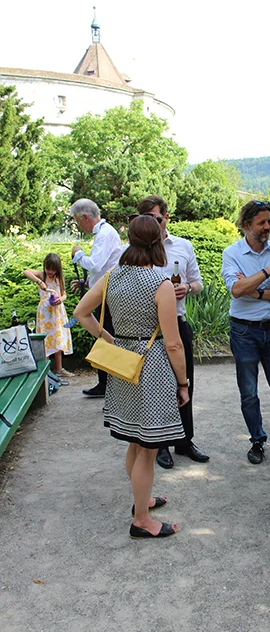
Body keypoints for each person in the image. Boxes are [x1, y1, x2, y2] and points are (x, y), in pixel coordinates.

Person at [73, 215, 189, 538]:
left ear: (130, 241)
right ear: (158, 242)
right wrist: (182, 383)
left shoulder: (112, 276)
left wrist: (109, 339)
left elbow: (81, 312)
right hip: (151, 370)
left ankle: (142, 500)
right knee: (148, 448)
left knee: (135, 442)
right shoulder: (161, 285)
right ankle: (141, 520)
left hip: (122, 365)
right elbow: (173, 344)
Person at [132, 195, 209, 468]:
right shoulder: (136, 250)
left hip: (177, 322)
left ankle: (185, 441)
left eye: (157, 218)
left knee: (185, 382)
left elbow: (198, 284)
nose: (154, 224)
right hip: (149, 329)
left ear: (166, 218)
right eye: (147, 219)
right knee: (157, 387)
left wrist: (186, 287)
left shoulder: (183, 246)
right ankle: (160, 444)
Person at [221, 200, 270, 464]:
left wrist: (256, 291)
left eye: (269, 221)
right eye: (261, 222)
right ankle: (257, 441)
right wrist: (267, 272)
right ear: (246, 225)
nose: (267, 227)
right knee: (249, 392)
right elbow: (236, 290)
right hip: (244, 331)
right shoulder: (232, 253)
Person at [70, 198, 122, 398]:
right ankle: (106, 384)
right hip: (104, 292)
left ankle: (108, 385)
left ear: (85, 217)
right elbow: (103, 268)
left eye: (78, 221)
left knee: (104, 335)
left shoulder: (105, 234)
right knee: (103, 335)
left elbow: (96, 264)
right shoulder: (104, 233)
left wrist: (78, 254)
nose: (79, 225)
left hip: (107, 295)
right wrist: (86, 283)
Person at [24, 253, 73, 376]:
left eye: (53, 270)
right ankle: (47, 372)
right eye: (48, 268)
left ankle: (59, 368)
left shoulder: (59, 278)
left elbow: (64, 294)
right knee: (45, 340)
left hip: (57, 313)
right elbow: (26, 272)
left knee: (57, 338)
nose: (50, 272)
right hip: (45, 314)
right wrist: (39, 282)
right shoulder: (42, 275)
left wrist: (61, 299)